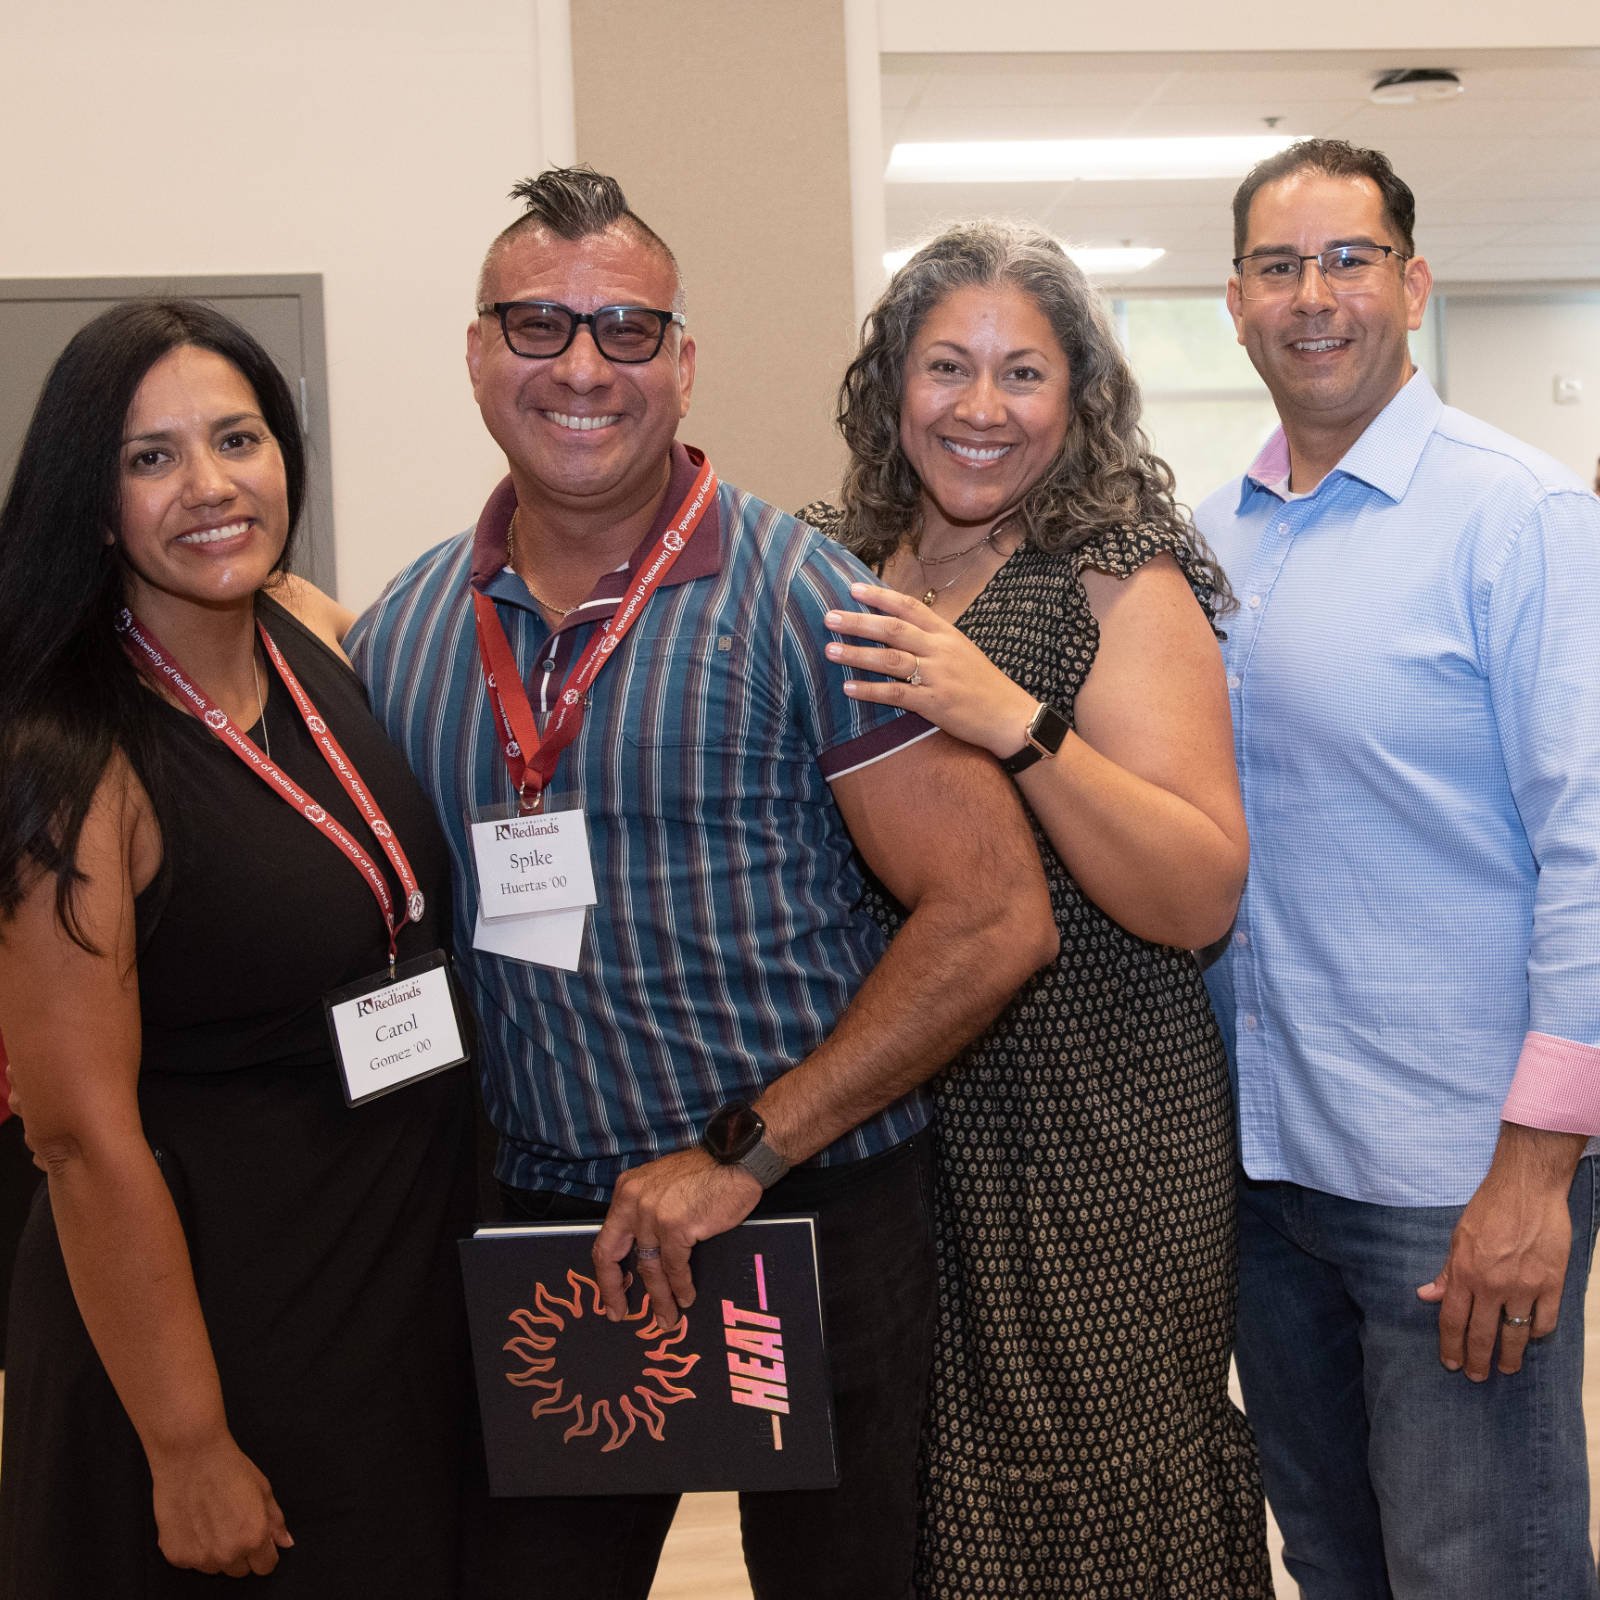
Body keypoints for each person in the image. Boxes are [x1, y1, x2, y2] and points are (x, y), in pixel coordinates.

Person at [349, 167, 1056, 1600]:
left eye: (626, 331)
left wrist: (742, 1153)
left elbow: (993, 915)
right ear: (478, 353)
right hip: (548, 1224)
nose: (582, 367)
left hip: (806, 1209)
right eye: (539, 326)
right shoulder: (404, 632)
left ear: (683, 362)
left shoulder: (817, 605)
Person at [804, 220, 1268, 1598]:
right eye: (948, 367)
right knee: (926, 1491)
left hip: (1099, 1122)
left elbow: (1198, 889)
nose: (981, 409)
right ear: (892, 387)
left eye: (1023, 375)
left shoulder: (1116, 574)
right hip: (901, 1106)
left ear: (1079, 402)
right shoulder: (839, 564)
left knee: (1097, 1491)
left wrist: (1012, 719)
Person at [0, 301, 474, 1596]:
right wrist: (186, 1442)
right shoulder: (67, 761)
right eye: (151, 458)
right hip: (206, 1331)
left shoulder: (310, 632)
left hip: (376, 1300)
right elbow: (78, 1137)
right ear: (93, 503)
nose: (209, 486)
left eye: (237, 438)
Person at [1197, 137, 1600, 1598]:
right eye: (1279, 266)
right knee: (1338, 1562)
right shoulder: (1204, 540)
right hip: (1265, 1166)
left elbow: (1592, 851)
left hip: (1450, 1177)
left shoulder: (1523, 518)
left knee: (1481, 1568)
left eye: (1350, 259)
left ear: (1412, 285)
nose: (1317, 297)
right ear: (1233, 302)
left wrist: (1535, 1174)